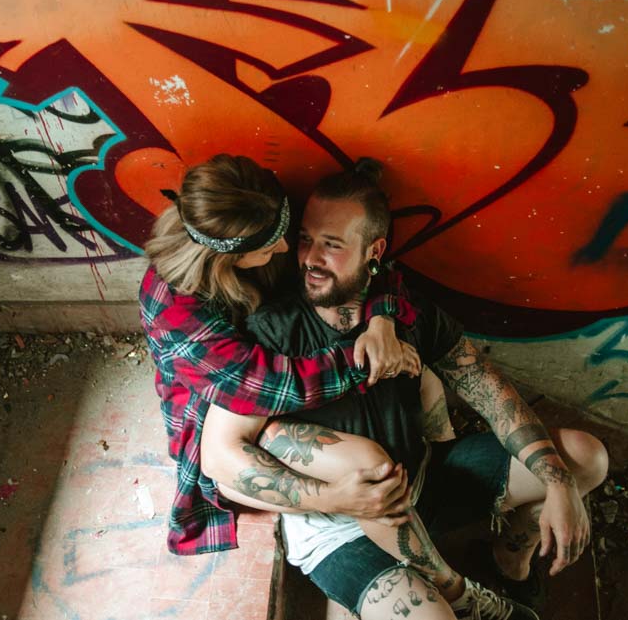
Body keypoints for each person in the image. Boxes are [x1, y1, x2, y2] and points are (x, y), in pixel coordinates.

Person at [200, 158, 609, 620]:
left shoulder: (403, 312)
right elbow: (219, 454)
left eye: (332, 245)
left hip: (422, 477)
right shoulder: (274, 329)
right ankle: (434, 591)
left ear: (374, 251)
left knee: (584, 459)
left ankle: (508, 560)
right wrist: (330, 498)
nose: (310, 258)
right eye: (306, 240)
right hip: (338, 526)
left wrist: (558, 482)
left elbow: (490, 392)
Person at [139, 154, 422, 555]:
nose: (289, 248)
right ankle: (330, 516)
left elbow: (365, 267)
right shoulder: (174, 308)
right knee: (356, 471)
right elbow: (265, 386)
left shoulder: (262, 219)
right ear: (230, 259)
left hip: (284, 370)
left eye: (290, 234)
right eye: (274, 244)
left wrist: (382, 320)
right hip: (224, 412)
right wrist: (364, 364)